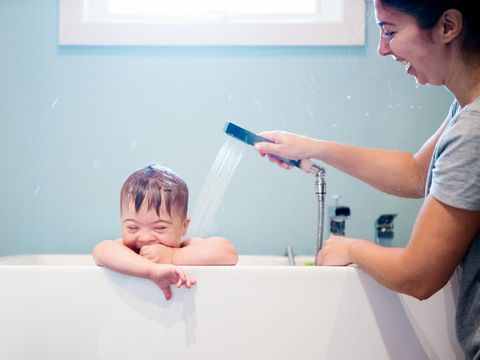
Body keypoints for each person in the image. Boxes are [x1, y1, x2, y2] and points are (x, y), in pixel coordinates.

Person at [254, 1, 480, 358]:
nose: (382, 48)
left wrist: (349, 248)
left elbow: (418, 275)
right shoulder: (466, 110)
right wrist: (312, 148)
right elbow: (417, 173)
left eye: (390, 31)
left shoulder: (473, 131)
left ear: (448, 26)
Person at [93, 164, 238, 300]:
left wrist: (172, 256)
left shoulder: (185, 247)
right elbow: (102, 250)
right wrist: (151, 271)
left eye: (160, 227)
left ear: (184, 226)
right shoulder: (126, 250)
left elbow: (228, 252)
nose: (145, 237)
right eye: (132, 227)